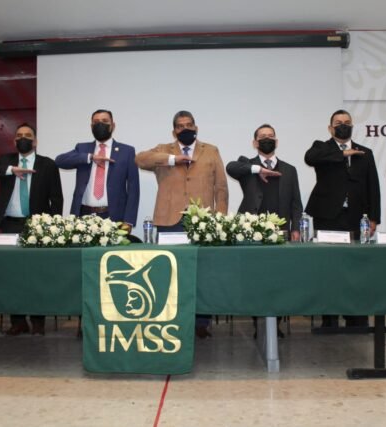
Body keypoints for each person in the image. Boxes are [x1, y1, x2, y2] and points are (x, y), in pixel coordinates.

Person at [135, 110, 228, 338]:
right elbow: (140, 159)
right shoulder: (163, 150)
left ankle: (201, 322)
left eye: (189, 125)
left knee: (202, 274)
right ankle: (172, 320)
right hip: (169, 220)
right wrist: (172, 160)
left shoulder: (211, 150)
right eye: (180, 126)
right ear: (174, 131)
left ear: (196, 128)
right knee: (169, 273)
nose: (185, 129)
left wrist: (219, 218)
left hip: (202, 221)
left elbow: (221, 187)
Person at [0, 123, 64, 336]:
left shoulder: (47, 164)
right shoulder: (6, 160)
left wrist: (53, 227)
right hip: (9, 224)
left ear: (35, 141)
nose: (23, 138)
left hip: (38, 226)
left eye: (27, 135)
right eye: (19, 135)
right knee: (12, 275)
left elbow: (56, 198)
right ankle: (18, 321)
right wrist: (10, 170)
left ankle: (38, 321)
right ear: (14, 140)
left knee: (37, 275)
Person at [304, 109, 381, 328]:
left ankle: (355, 316)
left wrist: (374, 217)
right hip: (327, 216)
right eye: (338, 123)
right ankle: (329, 316)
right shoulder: (321, 147)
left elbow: (373, 186)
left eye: (347, 122)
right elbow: (310, 158)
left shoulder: (365, 152)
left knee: (356, 267)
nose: (343, 125)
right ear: (330, 128)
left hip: (356, 217)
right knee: (328, 266)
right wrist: (344, 154)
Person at [227, 123, 303, 338]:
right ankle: (258, 323)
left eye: (271, 136)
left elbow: (296, 203)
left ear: (276, 141)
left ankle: (275, 324)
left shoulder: (289, 169)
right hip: (252, 231)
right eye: (262, 137)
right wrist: (258, 169)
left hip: (281, 232)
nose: (267, 139)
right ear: (255, 143)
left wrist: (296, 228)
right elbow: (231, 167)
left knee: (278, 278)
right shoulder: (247, 166)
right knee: (255, 278)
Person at [55, 109, 139, 229]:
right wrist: (90, 157)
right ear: (91, 126)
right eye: (96, 122)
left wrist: (129, 221)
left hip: (114, 216)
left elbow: (133, 188)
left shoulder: (127, 151)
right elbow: (59, 161)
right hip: (83, 215)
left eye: (105, 121)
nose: (100, 124)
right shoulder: (82, 148)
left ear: (113, 125)